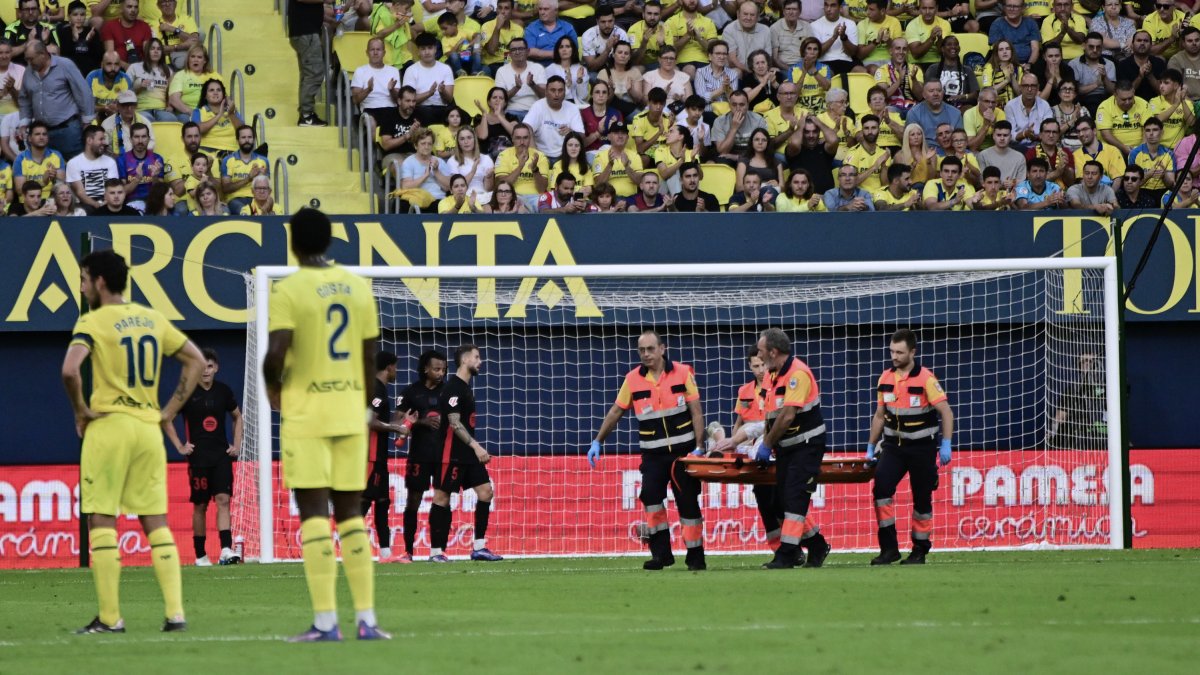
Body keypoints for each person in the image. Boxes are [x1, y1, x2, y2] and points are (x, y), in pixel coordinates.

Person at [262, 208, 389, 641]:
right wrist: (365, 401)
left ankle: (325, 622)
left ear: (293, 242)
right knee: (352, 513)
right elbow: (370, 354)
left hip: (307, 412)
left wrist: (273, 390)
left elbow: (277, 352)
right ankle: (368, 620)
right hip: (350, 411)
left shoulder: (289, 289)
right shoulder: (358, 286)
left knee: (315, 514)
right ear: (329, 241)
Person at [62, 248, 204, 633]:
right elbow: (195, 360)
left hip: (109, 425)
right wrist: (169, 410)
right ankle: (175, 615)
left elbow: (71, 370)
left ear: (100, 282)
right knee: (155, 520)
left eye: (84, 279)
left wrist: (79, 410)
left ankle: (110, 618)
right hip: (147, 428)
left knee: (102, 518)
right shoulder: (152, 318)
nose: (82, 285)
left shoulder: (93, 321)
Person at [588, 329, 708, 571]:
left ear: (662, 349)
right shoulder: (632, 379)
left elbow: (696, 411)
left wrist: (699, 446)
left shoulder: (683, 373)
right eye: (641, 350)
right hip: (653, 456)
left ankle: (696, 556)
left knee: (688, 504)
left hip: (682, 454)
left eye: (650, 349)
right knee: (651, 499)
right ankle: (661, 554)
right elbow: (616, 411)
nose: (646, 354)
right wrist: (598, 440)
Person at [865, 328, 954, 566]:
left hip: (922, 449)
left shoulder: (926, 378)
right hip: (893, 447)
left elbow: (945, 412)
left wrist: (946, 443)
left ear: (912, 352)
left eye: (899, 352)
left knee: (922, 500)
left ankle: (919, 550)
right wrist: (871, 446)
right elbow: (879, 416)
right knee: (881, 490)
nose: (894, 356)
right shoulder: (885, 379)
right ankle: (889, 549)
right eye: (892, 351)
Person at [753, 328, 832, 569]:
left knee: (794, 499)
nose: (759, 354)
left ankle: (788, 553)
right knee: (778, 501)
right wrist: (767, 443)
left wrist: (766, 445)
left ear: (773, 352)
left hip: (807, 445)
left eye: (761, 350)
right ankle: (817, 544)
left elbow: (787, 416)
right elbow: (770, 416)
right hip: (786, 448)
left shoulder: (798, 374)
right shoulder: (771, 375)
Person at [161, 347, 244, 567]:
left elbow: (238, 417)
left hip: (221, 456)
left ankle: (226, 549)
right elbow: (166, 418)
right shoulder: (186, 393)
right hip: (197, 459)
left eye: (209, 366)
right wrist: (180, 446)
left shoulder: (224, 392)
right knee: (200, 505)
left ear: (215, 367)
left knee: (223, 500)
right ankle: (200, 555)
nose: (206, 371)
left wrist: (236, 445)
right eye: (202, 366)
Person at [428, 344, 504, 562]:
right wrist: (477, 446)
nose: (480, 362)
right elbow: (453, 422)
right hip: (450, 453)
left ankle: (479, 547)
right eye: (477, 357)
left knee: (486, 492)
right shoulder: (453, 387)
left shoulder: (466, 388)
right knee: (442, 497)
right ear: (464, 360)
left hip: (467, 454)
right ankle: (436, 551)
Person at [709, 347, 783, 553]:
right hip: (750, 449)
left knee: (780, 500)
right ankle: (778, 548)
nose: (760, 370)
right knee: (763, 499)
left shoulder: (776, 388)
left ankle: (794, 545)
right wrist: (732, 443)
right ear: (750, 367)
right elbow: (740, 422)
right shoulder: (744, 392)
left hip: (770, 448)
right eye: (756, 366)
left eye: (763, 365)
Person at [359, 351, 417, 563]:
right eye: (396, 366)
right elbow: (370, 422)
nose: (397, 371)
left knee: (382, 502)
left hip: (379, 456)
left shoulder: (380, 389)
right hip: (370, 456)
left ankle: (385, 554)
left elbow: (381, 419)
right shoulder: (375, 388)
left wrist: (402, 421)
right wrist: (396, 428)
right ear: (389, 367)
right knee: (364, 502)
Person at [393, 349, 448, 563]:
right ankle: (408, 551)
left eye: (443, 369)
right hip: (419, 455)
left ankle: (437, 551)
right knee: (413, 501)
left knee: (442, 501)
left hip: (443, 456)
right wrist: (417, 422)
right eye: (436, 368)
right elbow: (396, 423)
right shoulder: (410, 393)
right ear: (425, 369)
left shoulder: (448, 392)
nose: (441, 373)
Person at [19, 40, 94, 159]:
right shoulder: (29, 70)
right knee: (46, 170)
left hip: (68, 130)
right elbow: (24, 98)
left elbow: (83, 91)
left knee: (72, 166)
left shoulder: (65, 65)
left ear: (43, 54)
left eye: (31, 59)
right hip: (42, 133)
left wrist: (87, 122)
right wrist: (24, 123)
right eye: (26, 59)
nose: (28, 62)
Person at [1050, 351, 1107, 450]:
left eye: (1091, 361)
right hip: (1079, 439)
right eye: (1085, 361)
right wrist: (1053, 433)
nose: (1088, 363)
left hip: (1101, 438)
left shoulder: (1106, 387)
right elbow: (1059, 417)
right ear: (1079, 366)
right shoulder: (1072, 389)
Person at [523, 75, 583, 161]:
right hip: (541, 155)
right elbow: (526, 128)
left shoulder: (572, 108)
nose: (557, 94)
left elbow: (582, 136)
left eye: (560, 90)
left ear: (565, 92)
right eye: (553, 90)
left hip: (565, 156)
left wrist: (572, 133)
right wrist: (535, 153)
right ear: (546, 92)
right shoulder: (538, 105)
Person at [287, 0, 328, 126]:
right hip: (306, 32)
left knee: (307, 74)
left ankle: (306, 114)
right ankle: (306, 115)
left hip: (305, 32)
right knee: (314, 74)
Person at [67, 125, 120, 210]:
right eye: (101, 139)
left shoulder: (110, 162)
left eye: (104, 139)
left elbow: (112, 188)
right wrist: (97, 205)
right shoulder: (73, 163)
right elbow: (80, 193)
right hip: (84, 206)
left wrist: (104, 204)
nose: (104, 142)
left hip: (107, 203)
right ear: (89, 140)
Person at [351, 37, 402, 126]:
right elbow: (355, 100)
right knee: (371, 123)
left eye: (378, 49)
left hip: (390, 109)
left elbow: (398, 100)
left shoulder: (393, 71)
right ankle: (374, 141)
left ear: (384, 53)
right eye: (372, 50)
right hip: (369, 110)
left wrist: (392, 90)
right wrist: (368, 89)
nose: (375, 53)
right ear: (367, 53)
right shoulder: (360, 71)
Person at [166, 43, 223, 122]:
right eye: (192, 56)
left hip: (211, 113)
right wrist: (193, 113)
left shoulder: (214, 76)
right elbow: (174, 99)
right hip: (187, 114)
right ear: (188, 59)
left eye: (199, 57)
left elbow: (224, 97)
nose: (195, 60)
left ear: (205, 61)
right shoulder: (181, 75)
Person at [494, 36, 546, 119]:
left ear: (528, 51)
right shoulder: (501, 71)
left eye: (521, 49)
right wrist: (516, 88)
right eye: (513, 50)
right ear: (509, 54)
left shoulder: (538, 68)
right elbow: (499, 99)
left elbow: (544, 96)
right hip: (511, 112)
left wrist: (533, 85)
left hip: (534, 111)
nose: (517, 52)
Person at [220, 125, 269, 214]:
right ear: (237, 140)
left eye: (250, 137)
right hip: (235, 199)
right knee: (244, 211)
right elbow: (226, 188)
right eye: (243, 137)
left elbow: (266, 189)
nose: (247, 140)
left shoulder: (263, 161)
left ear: (254, 140)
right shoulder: (228, 160)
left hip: (258, 199)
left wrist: (262, 178)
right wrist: (248, 178)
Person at [117, 122, 163, 212]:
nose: (140, 141)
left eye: (144, 137)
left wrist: (155, 177)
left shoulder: (157, 159)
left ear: (149, 139)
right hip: (130, 202)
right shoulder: (122, 160)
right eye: (137, 137)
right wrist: (137, 179)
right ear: (130, 139)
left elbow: (160, 192)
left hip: (153, 202)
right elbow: (122, 192)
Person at [1128, 117, 1175, 203]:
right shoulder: (1134, 153)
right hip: (1141, 191)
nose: (1151, 133)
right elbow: (1131, 185)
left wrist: (1164, 176)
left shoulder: (1169, 154)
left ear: (1162, 132)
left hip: (1163, 191)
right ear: (1144, 133)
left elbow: (1171, 185)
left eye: (1155, 130)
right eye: (1148, 130)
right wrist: (1148, 175)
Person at [192, 78, 242, 155]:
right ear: (205, 95)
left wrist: (231, 114)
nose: (215, 93)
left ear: (223, 95)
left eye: (219, 90)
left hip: (232, 153)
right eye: (211, 90)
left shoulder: (232, 112)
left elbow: (243, 132)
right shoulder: (198, 112)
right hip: (207, 152)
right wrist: (219, 115)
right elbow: (197, 130)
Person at [12, 120, 64, 192]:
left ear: (47, 138)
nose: (41, 137)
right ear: (29, 138)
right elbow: (20, 190)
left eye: (44, 134)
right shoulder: (20, 159)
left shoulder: (57, 156)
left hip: (51, 200)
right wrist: (43, 182)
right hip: (29, 202)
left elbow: (61, 187)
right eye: (37, 134)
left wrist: (54, 179)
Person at [907, 80, 962, 146]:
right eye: (931, 91)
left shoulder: (956, 113)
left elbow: (960, 140)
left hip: (950, 152)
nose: (936, 94)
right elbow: (911, 142)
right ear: (924, 95)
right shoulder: (914, 113)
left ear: (943, 93)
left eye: (939, 90)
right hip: (924, 152)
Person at [57, 1, 105, 77]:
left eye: (82, 15)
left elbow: (99, 56)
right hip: (71, 73)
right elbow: (64, 55)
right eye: (75, 15)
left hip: (90, 72)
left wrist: (88, 41)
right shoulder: (64, 32)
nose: (79, 18)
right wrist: (74, 39)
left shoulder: (92, 31)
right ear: (69, 16)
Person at [1116, 31, 1165, 102]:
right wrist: (1140, 77)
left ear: (1151, 45)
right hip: (1131, 104)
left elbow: (1163, 92)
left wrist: (1150, 75)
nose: (1142, 43)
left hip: (1156, 105)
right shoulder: (1123, 65)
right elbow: (1124, 94)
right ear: (1132, 44)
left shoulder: (1159, 63)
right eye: (1139, 40)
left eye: (1146, 41)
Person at [101, 0, 152, 69]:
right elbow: (110, 55)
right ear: (121, 9)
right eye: (129, 7)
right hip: (117, 68)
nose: (133, 10)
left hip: (141, 68)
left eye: (136, 7)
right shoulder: (110, 26)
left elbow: (148, 53)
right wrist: (127, 67)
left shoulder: (144, 26)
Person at [524, 0, 577, 65]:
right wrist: (557, 54)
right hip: (540, 68)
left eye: (546, 9)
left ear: (556, 11)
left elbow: (574, 51)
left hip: (563, 66)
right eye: (540, 9)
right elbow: (530, 51)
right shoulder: (531, 27)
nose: (542, 12)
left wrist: (541, 53)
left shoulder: (568, 27)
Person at [988, 0, 1040, 66]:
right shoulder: (997, 24)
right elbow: (998, 50)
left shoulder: (1031, 23)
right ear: (1004, 8)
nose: (1011, 9)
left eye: (1015, 6)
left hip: (1030, 64)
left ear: (1022, 8)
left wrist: (1029, 65)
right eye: (1009, 6)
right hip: (1005, 65)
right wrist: (1015, 67)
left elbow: (1035, 48)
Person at [977, 120, 1027, 185]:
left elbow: (1022, 182)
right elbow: (981, 180)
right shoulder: (983, 155)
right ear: (993, 136)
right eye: (999, 135)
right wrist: (999, 185)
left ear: (1010, 137)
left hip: (1013, 193)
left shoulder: (1020, 157)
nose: (1002, 138)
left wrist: (1013, 183)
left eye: (1005, 135)